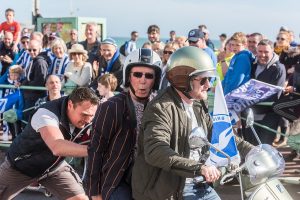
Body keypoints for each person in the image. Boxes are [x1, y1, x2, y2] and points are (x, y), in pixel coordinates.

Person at [131, 46, 253, 200]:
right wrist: (200, 168)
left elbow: (218, 134)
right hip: (170, 189)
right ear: (184, 80)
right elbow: (156, 150)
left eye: (210, 79)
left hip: (199, 182)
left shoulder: (196, 103)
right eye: (203, 80)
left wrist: (254, 151)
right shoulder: (161, 108)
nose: (208, 85)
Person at [86, 48, 162, 200]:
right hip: (117, 179)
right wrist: (94, 192)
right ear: (128, 76)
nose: (143, 80)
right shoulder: (111, 106)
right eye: (137, 74)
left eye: (149, 75)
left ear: (156, 80)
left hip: (149, 179)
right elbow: (96, 149)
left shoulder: (160, 107)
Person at [0, 87, 99, 200]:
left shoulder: (87, 117)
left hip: (54, 168)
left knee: (80, 199)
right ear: (70, 105)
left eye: (92, 116)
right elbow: (57, 146)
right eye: (84, 115)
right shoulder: (46, 114)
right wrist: (95, 150)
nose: (88, 120)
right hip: (21, 167)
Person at [242, 39, 286, 145]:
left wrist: (249, 97)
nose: (262, 55)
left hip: (268, 116)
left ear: (272, 51)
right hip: (249, 113)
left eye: (266, 52)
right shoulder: (252, 65)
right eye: (260, 51)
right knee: (249, 147)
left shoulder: (279, 69)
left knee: (263, 148)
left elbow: (275, 95)